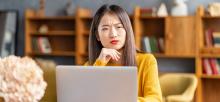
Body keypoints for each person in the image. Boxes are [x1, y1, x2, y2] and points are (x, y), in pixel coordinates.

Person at [85, 4, 162, 102]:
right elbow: (86, 97)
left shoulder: (147, 61)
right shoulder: (89, 66)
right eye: (105, 28)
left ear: (127, 30)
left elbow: (155, 99)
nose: (113, 34)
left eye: (118, 27)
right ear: (97, 35)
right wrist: (99, 64)